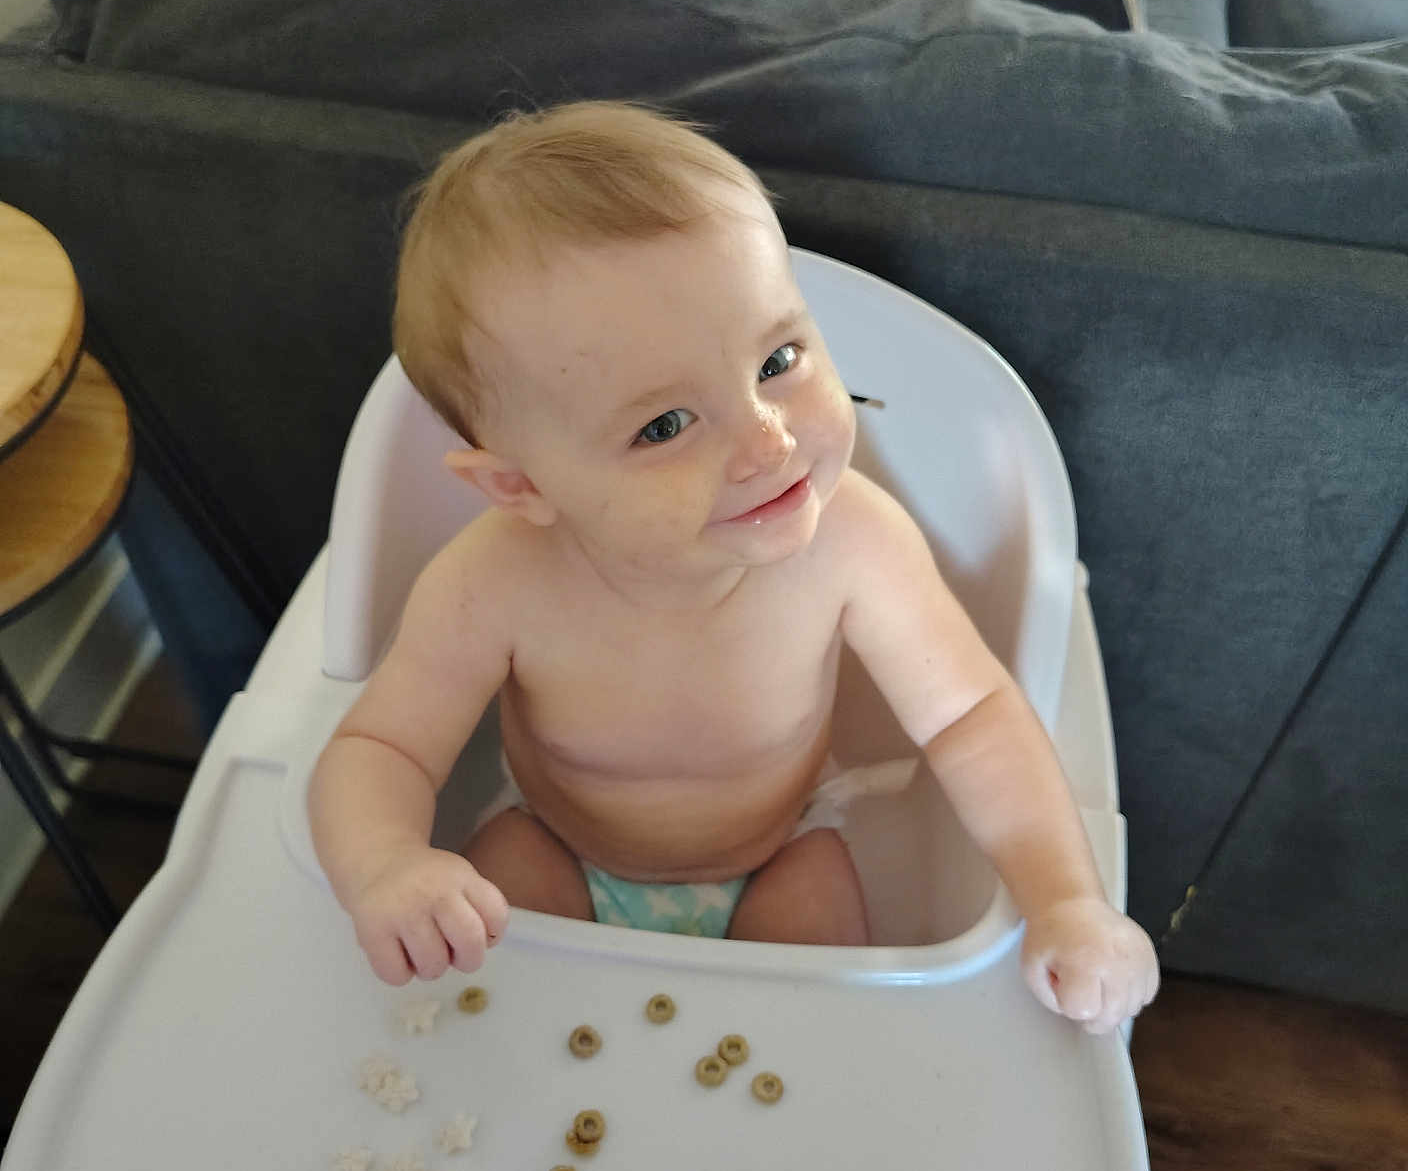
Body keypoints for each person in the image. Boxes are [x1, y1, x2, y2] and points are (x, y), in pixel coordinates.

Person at [308, 100, 1160, 1036]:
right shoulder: (491, 585)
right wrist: (386, 864)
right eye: (665, 425)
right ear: (519, 485)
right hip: (554, 844)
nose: (769, 440)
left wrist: (1065, 900)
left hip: (781, 849)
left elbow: (973, 720)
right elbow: (378, 749)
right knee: (498, 1017)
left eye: (779, 358)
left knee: (814, 1036)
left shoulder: (855, 544)